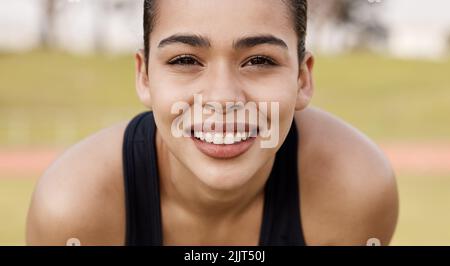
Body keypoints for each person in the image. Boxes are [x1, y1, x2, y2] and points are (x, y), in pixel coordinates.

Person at [26, 0, 398, 246]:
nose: (222, 99)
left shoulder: (355, 192)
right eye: (185, 59)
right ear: (144, 77)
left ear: (302, 78)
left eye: (259, 61)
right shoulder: (74, 212)